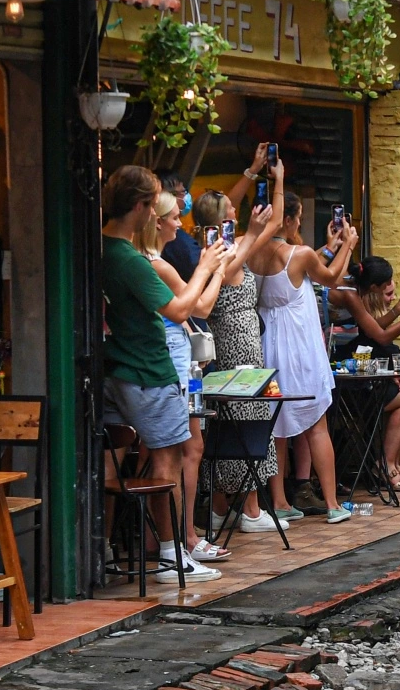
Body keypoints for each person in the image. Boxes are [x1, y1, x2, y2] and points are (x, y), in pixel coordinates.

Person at [96, 166, 224, 582]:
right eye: (153, 206)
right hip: (146, 369)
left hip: (115, 366)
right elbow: (181, 310)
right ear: (139, 207)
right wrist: (206, 266)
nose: (158, 215)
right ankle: (171, 555)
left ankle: (106, 549)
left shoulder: (98, 248)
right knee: (167, 458)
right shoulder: (130, 259)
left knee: (113, 461)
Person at [133, 188, 230, 563]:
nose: (180, 222)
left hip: (168, 360)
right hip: (170, 365)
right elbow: (200, 305)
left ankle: (165, 539)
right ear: (156, 221)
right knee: (184, 450)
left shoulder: (146, 261)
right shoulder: (157, 264)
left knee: (163, 452)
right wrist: (214, 269)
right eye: (174, 216)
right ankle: (183, 538)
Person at [252, 191, 359, 522]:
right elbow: (330, 277)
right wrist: (348, 246)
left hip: (269, 345)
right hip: (299, 346)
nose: (300, 223)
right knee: (316, 423)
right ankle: (332, 504)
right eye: (297, 218)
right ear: (287, 219)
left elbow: (307, 263)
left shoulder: (252, 253)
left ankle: (281, 500)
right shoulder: (297, 254)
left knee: (277, 424)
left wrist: (328, 248)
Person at [190, 177, 284, 531]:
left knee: (240, 418)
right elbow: (248, 245)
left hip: (244, 338)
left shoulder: (228, 249)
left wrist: (278, 176)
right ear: (221, 220)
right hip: (234, 342)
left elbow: (272, 223)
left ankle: (220, 507)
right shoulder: (219, 257)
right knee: (242, 420)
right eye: (230, 207)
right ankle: (249, 509)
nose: (236, 208)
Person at [330, 257, 400, 492]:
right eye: (388, 292)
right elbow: (384, 339)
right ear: (373, 289)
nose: (392, 297)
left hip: (368, 384)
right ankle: (386, 464)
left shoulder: (367, 320)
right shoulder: (353, 300)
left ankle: (388, 462)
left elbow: (385, 341)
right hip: (353, 389)